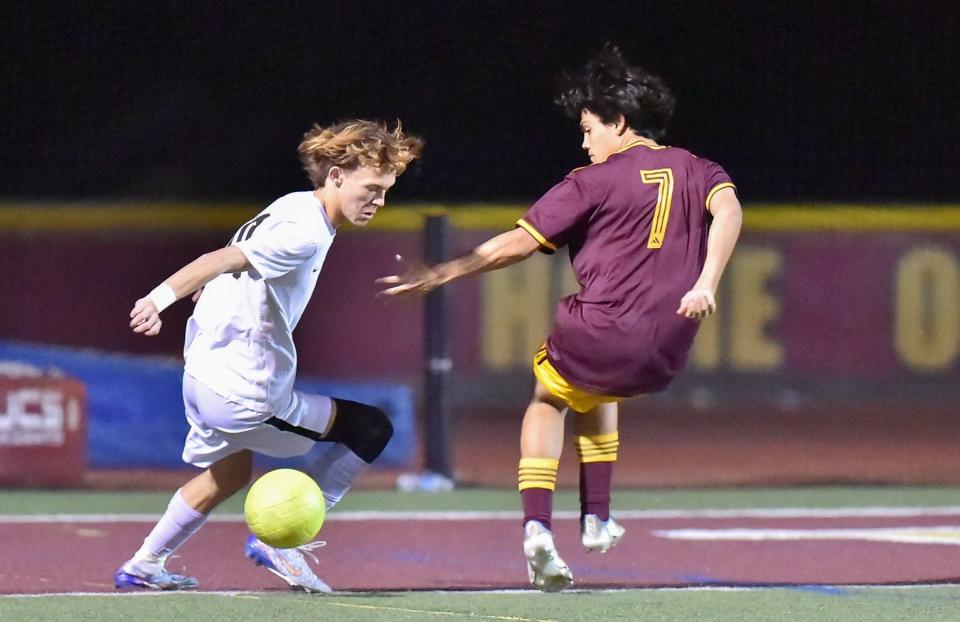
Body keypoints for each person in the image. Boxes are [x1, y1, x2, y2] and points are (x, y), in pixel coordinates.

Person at [378, 45, 742, 593]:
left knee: (548, 397)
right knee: (593, 389)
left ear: (619, 123)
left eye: (589, 127)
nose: (584, 140)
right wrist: (706, 284)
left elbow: (515, 246)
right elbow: (731, 212)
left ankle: (536, 528)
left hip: (601, 330)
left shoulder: (589, 181)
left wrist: (442, 273)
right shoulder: (699, 168)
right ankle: (597, 517)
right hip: (668, 345)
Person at [115, 120, 424, 592]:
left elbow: (234, 254)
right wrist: (159, 300)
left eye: (386, 191)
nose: (379, 201)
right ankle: (284, 542)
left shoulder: (294, 204)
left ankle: (143, 564)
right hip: (245, 393)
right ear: (337, 176)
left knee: (230, 472)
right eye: (372, 188)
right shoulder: (306, 232)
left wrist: (209, 290)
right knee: (370, 428)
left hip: (201, 375)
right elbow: (222, 260)